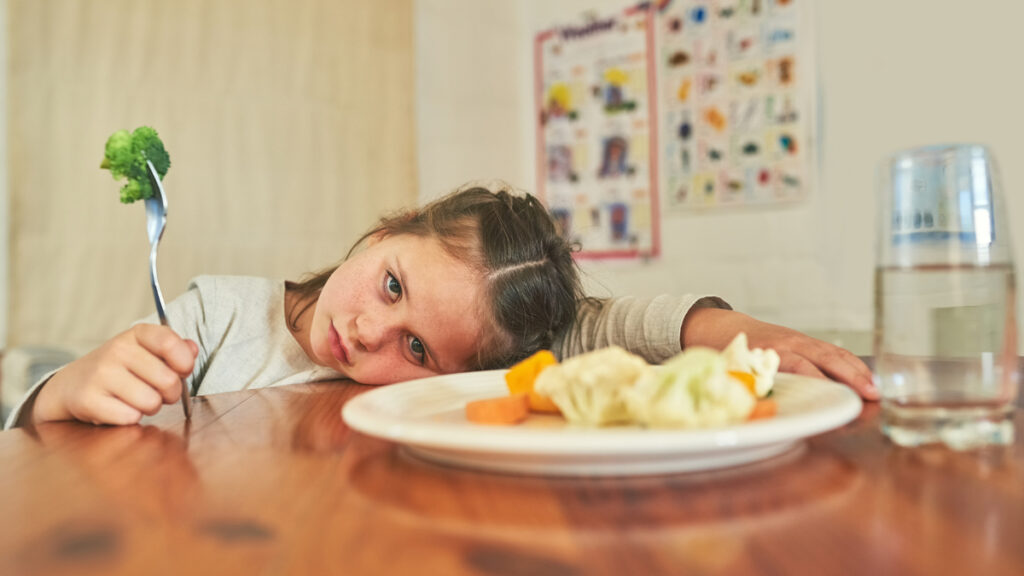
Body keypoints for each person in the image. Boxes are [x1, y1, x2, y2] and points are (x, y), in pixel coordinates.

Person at [5, 183, 876, 429]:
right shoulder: (210, 317)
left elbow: (599, 329)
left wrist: (733, 334)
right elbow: (52, 432)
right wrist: (62, 389)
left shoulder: (477, 364)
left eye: (417, 352)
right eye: (392, 285)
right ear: (384, 231)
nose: (371, 331)